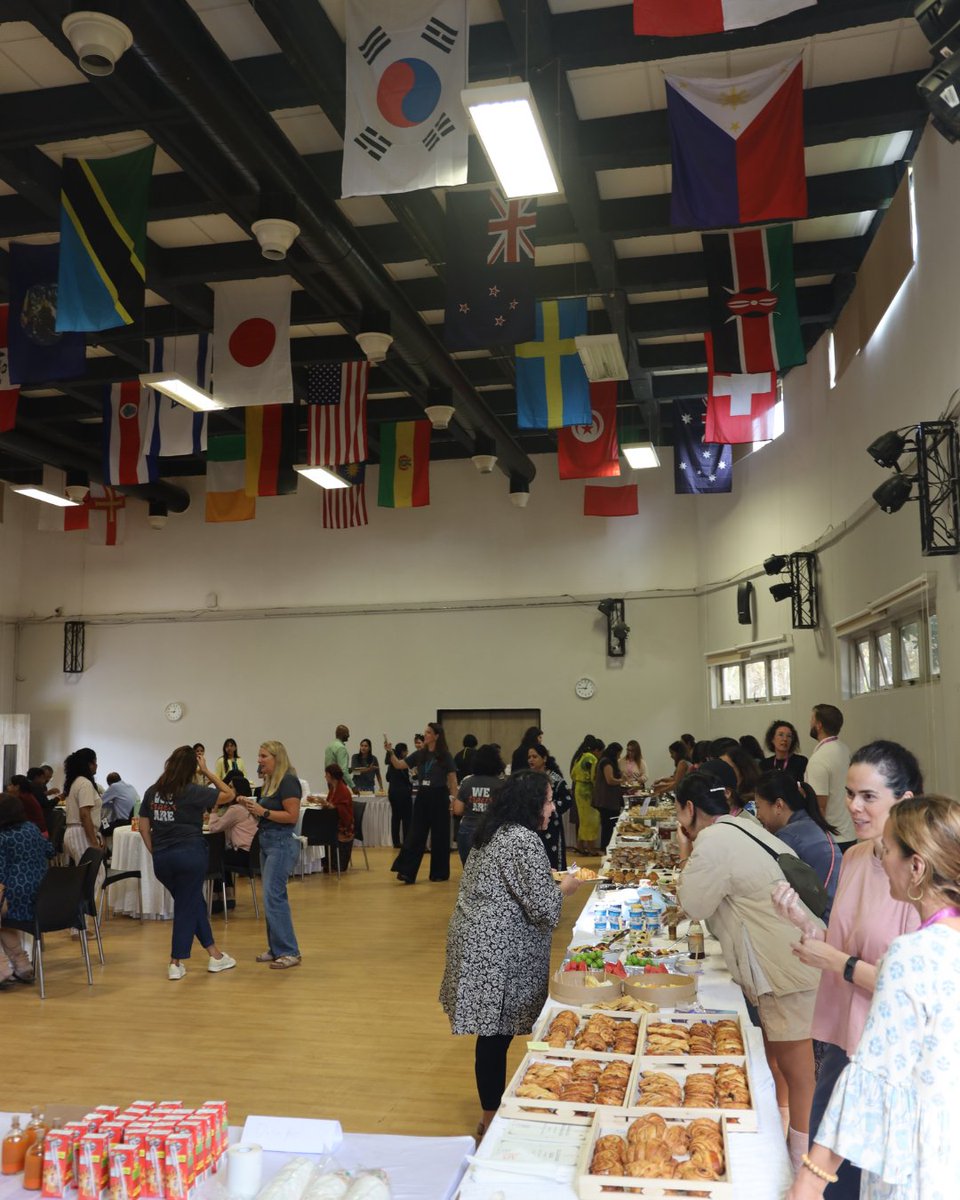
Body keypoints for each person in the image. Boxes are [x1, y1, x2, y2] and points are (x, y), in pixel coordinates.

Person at [788, 794, 960, 1200]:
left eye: (887, 851)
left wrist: (809, 1180)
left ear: (916, 867)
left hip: (915, 1162)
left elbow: (871, 1081)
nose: (881, 861)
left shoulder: (913, 955)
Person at [778, 740, 923, 1200]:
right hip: (842, 1042)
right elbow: (845, 947)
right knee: (829, 1181)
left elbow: (912, 985)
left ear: (905, 802)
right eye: (849, 794)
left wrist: (836, 962)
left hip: (885, 1055)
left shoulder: (923, 876)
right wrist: (807, 925)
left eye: (868, 797)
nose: (853, 807)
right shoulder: (858, 856)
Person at [676, 768, 824, 1172]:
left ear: (689, 809)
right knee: (782, 1062)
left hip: (787, 965)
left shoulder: (711, 841)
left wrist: (684, 851)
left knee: (798, 1071)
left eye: (679, 814)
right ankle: (782, 1144)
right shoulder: (745, 826)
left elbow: (693, 904)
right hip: (794, 955)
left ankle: (802, 1169)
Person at [439, 770, 583, 1141]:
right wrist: (567, 886)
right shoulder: (522, 840)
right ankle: (490, 1119)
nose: (553, 808)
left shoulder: (494, 830)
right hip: (495, 950)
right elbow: (544, 908)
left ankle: (494, 1111)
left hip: (479, 941)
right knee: (494, 1035)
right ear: (531, 804)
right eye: (549, 800)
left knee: (493, 1034)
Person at [139, 746, 237, 980]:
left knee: (192, 903)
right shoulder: (192, 791)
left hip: (163, 861)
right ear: (191, 769)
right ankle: (175, 961)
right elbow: (229, 794)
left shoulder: (153, 792)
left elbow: (144, 828)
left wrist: (157, 852)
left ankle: (215, 955)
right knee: (186, 906)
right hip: (190, 856)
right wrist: (207, 772)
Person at [238, 741, 303, 969]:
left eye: (263, 756)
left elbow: (291, 816)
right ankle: (276, 948)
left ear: (276, 757)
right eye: (259, 756)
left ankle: (289, 950)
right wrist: (252, 808)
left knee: (274, 896)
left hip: (281, 844)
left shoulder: (288, 781)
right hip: (268, 841)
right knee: (270, 897)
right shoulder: (269, 783)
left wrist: (263, 811)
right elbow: (267, 816)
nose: (259, 760)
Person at [756, 772, 841, 922]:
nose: (757, 815)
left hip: (822, 921)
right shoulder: (809, 824)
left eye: (758, 807)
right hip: (835, 916)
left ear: (778, 805)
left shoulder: (788, 836)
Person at [386, 723, 457, 884]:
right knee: (415, 834)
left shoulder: (445, 755)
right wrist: (390, 751)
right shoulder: (419, 754)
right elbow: (398, 765)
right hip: (423, 796)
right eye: (425, 732)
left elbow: (452, 780)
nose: (425, 735)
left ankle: (439, 873)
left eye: (428, 732)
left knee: (440, 836)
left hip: (439, 796)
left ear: (436, 736)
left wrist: (454, 800)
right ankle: (407, 872)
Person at [0, 792, 55, 985]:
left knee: (2, 916)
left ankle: (3, 968)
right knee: (2, 921)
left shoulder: (3, 837)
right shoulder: (31, 828)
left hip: (16, 898)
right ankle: (22, 965)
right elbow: (50, 850)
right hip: (43, 896)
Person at [806, 705, 855, 850]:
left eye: (812, 719)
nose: (810, 723)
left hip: (831, 838)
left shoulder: (820, 759)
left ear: (819, 725)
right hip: (849, 834)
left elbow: (820, 806)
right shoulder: (845, 749)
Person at [207, 773, 258, 908]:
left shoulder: (236, 809)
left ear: (237, 791)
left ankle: (217, 899)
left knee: (215, 856)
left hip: (243, 855)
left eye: (230, 787)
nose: (227, 790)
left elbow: (214, 828)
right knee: (223, 853)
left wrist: (213, 811)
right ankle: (228, 896)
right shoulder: (250, 806)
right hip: (253, 855)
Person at [453, 743, 504, 863]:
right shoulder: (502, 784)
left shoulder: (467, 782)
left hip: (467, 830)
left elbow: (457, 810)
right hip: (492, 832)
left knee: (469, 871)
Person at [526, 744, 571, 870]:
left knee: (553, 861)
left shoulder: (555, 779)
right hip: (531, 825)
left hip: (552, 827)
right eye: (529, 757)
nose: (531, 760)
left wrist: (548, 808)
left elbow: (567, 800)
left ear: (544, 758)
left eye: (535, 756)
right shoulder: (527, 779)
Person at [62, 747, 103, 865]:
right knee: (95, 875)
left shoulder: (75, 782)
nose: (96, 765)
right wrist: (94, 843)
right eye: (95, 762)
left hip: (74, 832)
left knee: (85, 875)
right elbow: (85, 814)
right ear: (89, 764)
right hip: (81, 833)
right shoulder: (85, 784)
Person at [317, 763, 355, 873]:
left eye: (326, 774)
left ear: (331, 776)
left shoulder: (342, 790)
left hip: (344, 826)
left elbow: (343, 811)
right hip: (335, 821)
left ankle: (331, 863)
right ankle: (326, 862)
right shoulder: (334, 788)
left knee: (321, 830)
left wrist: (328, 805)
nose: (325, 777)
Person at [570, 736, 601, 856]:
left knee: (583, 820)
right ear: (596, 750)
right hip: (587, 791)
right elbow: (594, 776)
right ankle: (591, 848)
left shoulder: (581, 756)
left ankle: (580, 846)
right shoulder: (591, 758)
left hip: (578, 789)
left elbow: (572, 773)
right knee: (592, 820)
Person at [385, 741, 412, 849]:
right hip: (404, 793)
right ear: (403, 752)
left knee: (395, 817)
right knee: (406, 818)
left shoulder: (391, 763)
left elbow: (387, 778)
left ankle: (396, 842)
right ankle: (406, 840)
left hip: (392, 792)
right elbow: (409, 778)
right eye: (406, 750)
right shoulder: (403, 763)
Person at [763, 719, 809, 784]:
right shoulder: (764, 764)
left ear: (792, 740)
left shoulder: (801, 762)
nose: (785, 739)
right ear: (772, 739)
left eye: (789, 736)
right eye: (781, 735)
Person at [324, 725, 352, 789]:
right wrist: (353, 786)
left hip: (330, 781)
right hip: (339, 783)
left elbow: (329, 765)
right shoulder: (341, 748)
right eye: (347, 733)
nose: (348, 735)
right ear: (341, 734)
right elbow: (343, 770)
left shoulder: (329, 746)